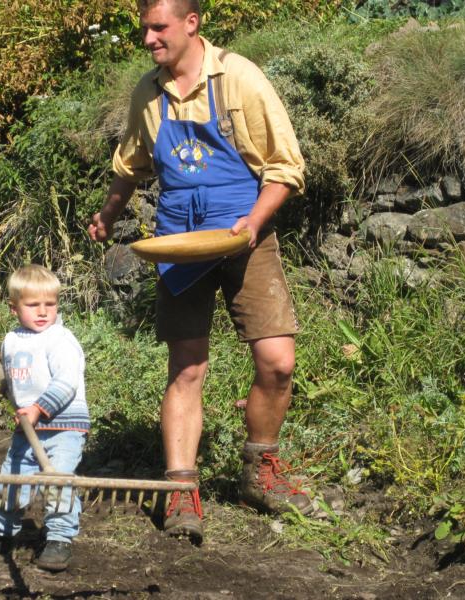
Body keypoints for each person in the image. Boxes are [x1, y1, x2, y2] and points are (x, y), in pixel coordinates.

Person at [88, 0, 310, 541]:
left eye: (158, 28)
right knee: (187, 369)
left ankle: (260, 471)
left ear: (192, 24)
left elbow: (285, 168)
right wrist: (108, 214)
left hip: (243, 233)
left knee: (277, 361)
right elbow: (131, 166)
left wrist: (253, 224)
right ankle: (181, 490)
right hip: (179, 243)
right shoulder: (148, 93)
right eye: (144, 29)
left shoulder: (239, 79)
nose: (148, 40)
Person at [0, 265, 88, 573]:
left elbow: (66, 382)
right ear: (14, 307)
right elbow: (17, 378)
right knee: (12, 480)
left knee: (57, 481)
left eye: (50, 304)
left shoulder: (60, 339)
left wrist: (37, 408)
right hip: (28, 427)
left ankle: (59, 538)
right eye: (33, 305)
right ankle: (1, 531)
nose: (42, 312)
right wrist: (7, 387)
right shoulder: (12, 341)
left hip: (64, 427)